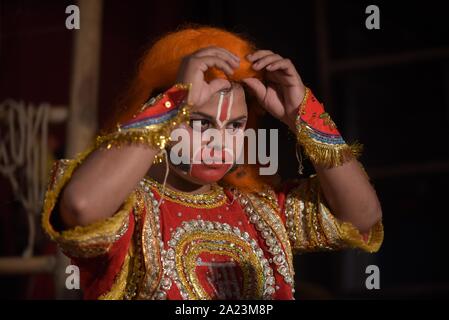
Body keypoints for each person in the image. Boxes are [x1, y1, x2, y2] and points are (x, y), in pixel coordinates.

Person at [41, 26, 383, 300]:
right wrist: (176, 100)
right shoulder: (131, 210)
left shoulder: (262, 213)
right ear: (160, 113)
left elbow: (363, 215)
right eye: (200, 122)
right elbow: (81, 206)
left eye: (234, 126)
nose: (218, 141)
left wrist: (302, 116)